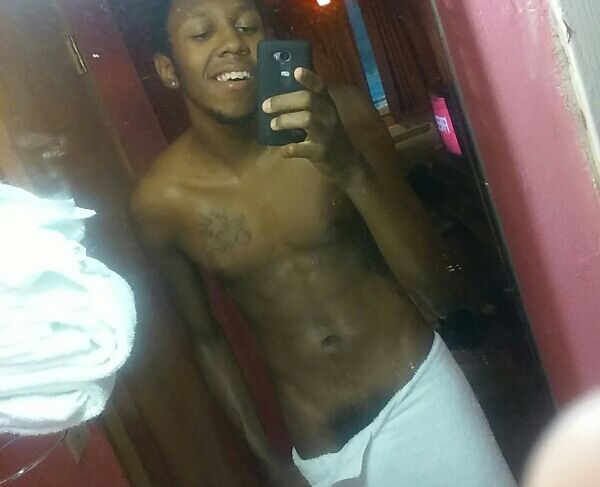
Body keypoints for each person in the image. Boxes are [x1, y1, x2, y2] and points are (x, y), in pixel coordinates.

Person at [131, 0, 515, 485]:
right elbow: (206, 339)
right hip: (322, 446)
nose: (232, 43)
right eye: (203, 33)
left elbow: (436, 285)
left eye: (246, 26)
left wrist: (348, 164)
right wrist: (267, 460)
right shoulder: (160, 204)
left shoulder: (342, 116)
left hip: (421, 393)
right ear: (168, 68)